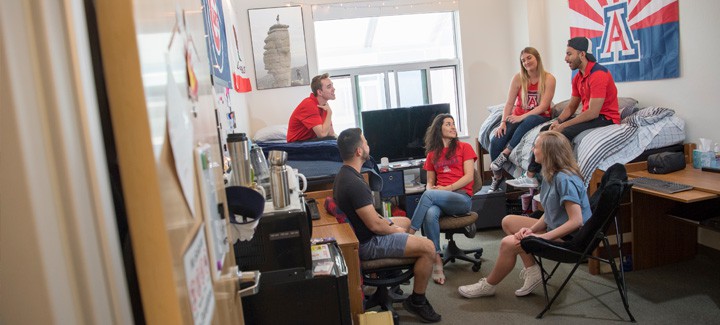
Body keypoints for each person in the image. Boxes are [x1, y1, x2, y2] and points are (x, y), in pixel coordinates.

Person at [458, 131, 592, 298]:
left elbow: (576, 221)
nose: (532, 150)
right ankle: (533, 271)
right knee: (508, 221)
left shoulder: (564, 179)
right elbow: (552, 212)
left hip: (571, 240)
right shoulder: (551, 175)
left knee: (508, 244)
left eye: (536, 146)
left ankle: (488, 285)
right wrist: (532, 230)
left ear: (548, 152)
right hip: (558, 230)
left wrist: (543, 237)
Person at [333, 128, 442, 323]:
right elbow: (375, 226)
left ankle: (392, 274)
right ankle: (417, 300)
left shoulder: (345, 174)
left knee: (406, 221)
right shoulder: (354, 183)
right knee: (429, 248)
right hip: (367, 243)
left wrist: (392, 224)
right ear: (359, 151)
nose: (368, 146)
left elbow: (372, 217)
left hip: (362, 233)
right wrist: (394, 230)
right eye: (365, 142)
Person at [507, 37, 620, 189]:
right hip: (591, 115)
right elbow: (572, 106)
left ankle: (556, 183)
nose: (566, 59)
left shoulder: (598, 74)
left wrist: (564, 126)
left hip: (605, 118)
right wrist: (558, 121)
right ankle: (531, 176)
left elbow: (593, 113)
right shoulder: (578, 77)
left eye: (569, 54)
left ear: (582, 54)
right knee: (545, 130)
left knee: (561, 134)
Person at [407, 114, 477, 285]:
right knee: (430, 213)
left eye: (453, 124)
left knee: (429, 196)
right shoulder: (432, 155)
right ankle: (437, 259)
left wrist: (445, 189)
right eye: (448, 124)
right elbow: (430, 183)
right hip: (440, 198)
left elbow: (469, 177)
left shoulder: (465, 147)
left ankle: (409, 234)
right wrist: (433, 190)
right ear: (439, 129)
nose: (453, 127)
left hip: (461, 198)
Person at [488, 47, 557, 192]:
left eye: (529, 58)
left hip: (539, 116)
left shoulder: (549, 78)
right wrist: (502, 123)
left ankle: (506, 153)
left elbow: (544, 106)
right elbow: (509, 103)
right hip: (518, 115)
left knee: (529, 120)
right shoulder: (518, 78)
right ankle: (497, 176)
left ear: (537, 58)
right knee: (496, 140)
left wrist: (521, 117)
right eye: (523, 60)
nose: (526, 62)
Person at [286, 73, 337, 142]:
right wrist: (330, 113)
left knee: (336, 141)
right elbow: (322, 134)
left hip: (310, 141)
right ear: (320, 92)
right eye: (329, 87)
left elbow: (331, 133)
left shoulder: (324, 105)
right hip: (296, 144)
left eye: (332, 86)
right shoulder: (309, 104)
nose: (333, 89)